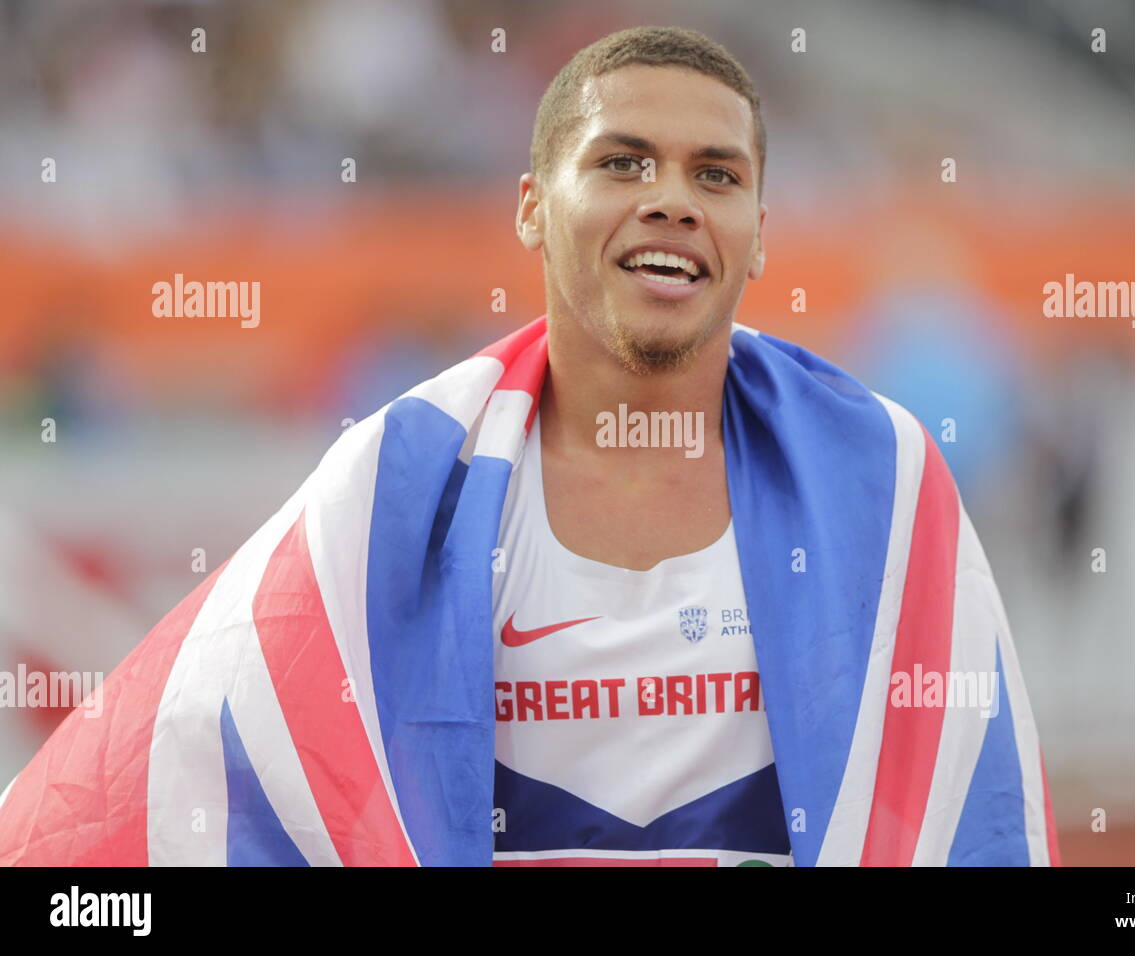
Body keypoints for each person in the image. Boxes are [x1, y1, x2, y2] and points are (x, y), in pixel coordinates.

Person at [0, 26, 1058, 867]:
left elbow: (967, 815)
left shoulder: (881, 473)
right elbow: (171, 764)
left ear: (761, 231)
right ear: (530, 210)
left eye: (717, 175)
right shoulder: (397, 482)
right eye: (622, 162)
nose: (672, 200)